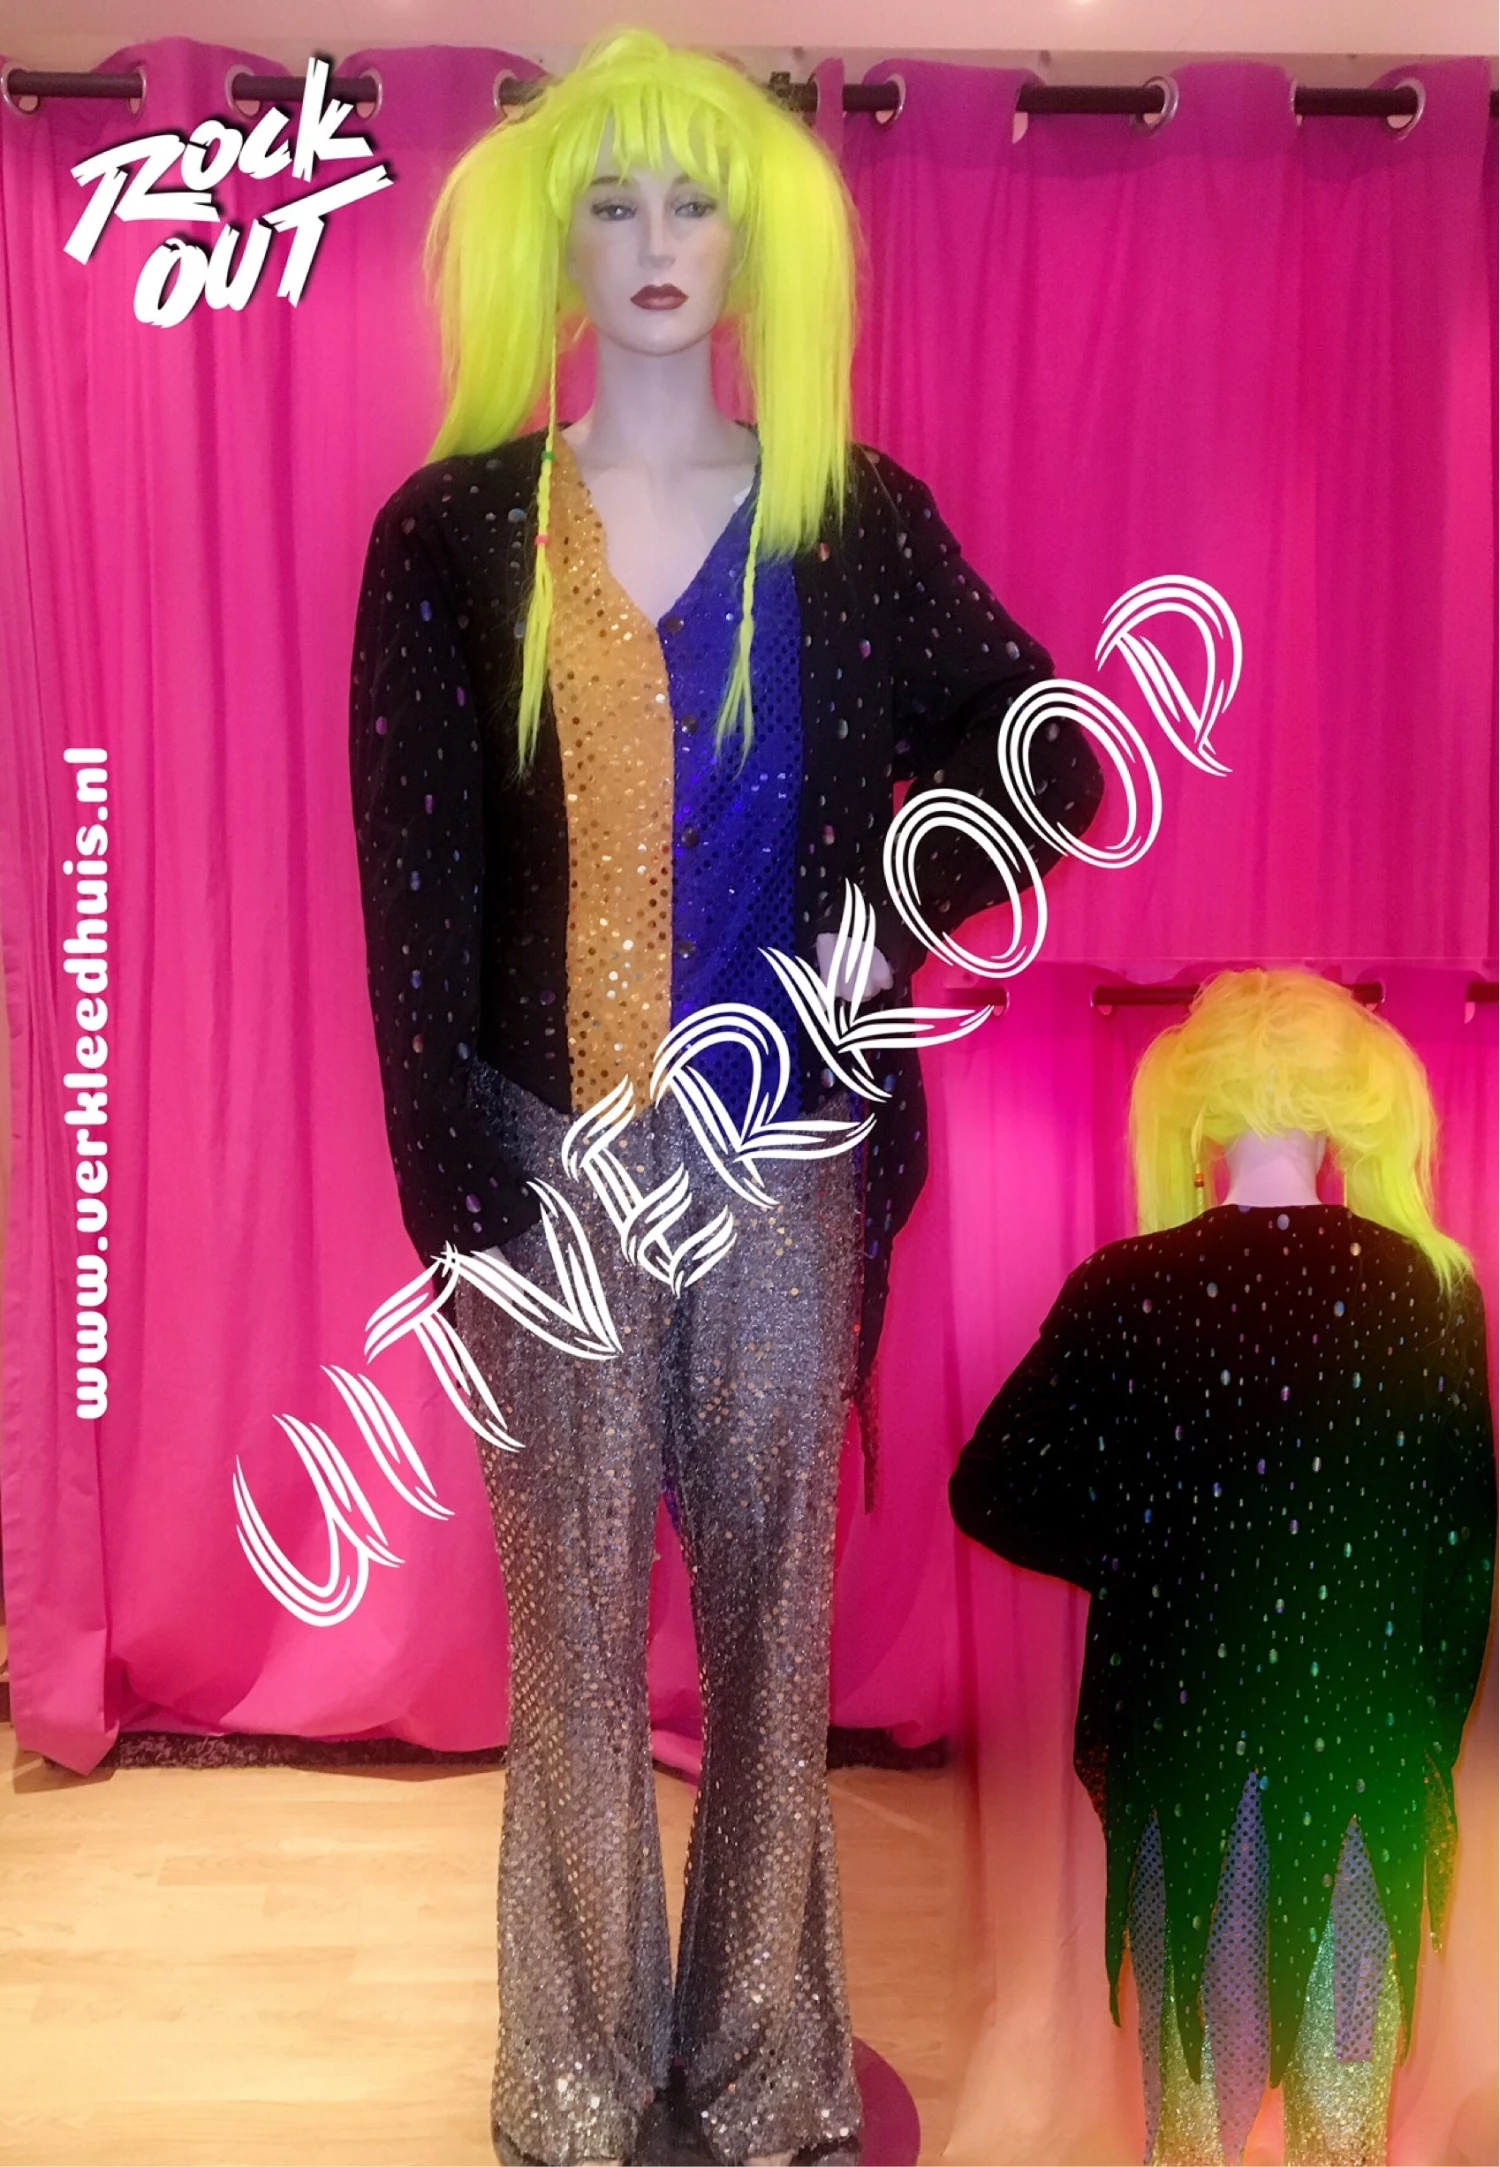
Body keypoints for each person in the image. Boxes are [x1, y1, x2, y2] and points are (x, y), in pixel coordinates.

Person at [349, 31, 1101, 2164]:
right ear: (558, 242)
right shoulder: (454, 534)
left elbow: (1051, 749)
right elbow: (412, 872)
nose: (658, 241)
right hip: (543, 1165)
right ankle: (579, 2079)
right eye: (615, 201)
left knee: (775, 1636)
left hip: (786, 1162)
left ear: (758, 242)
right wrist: (456, 1183)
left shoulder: (853, 516)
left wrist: (874, 930)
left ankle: (765, 2062)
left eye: (696, 200)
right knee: (572, 1641)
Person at [950, 969, 1496, 2167]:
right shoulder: (1428, 1286)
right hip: (1362, 1744)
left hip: (1186, 1732)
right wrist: (1427, 1730)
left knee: (1194, 2088)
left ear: (1200, 1115)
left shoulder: (1124, 1286)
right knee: (1343, 2103)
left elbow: (992, 1483)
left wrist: (1150, 1552)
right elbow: (1463, 1548)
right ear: (1346, 1111)